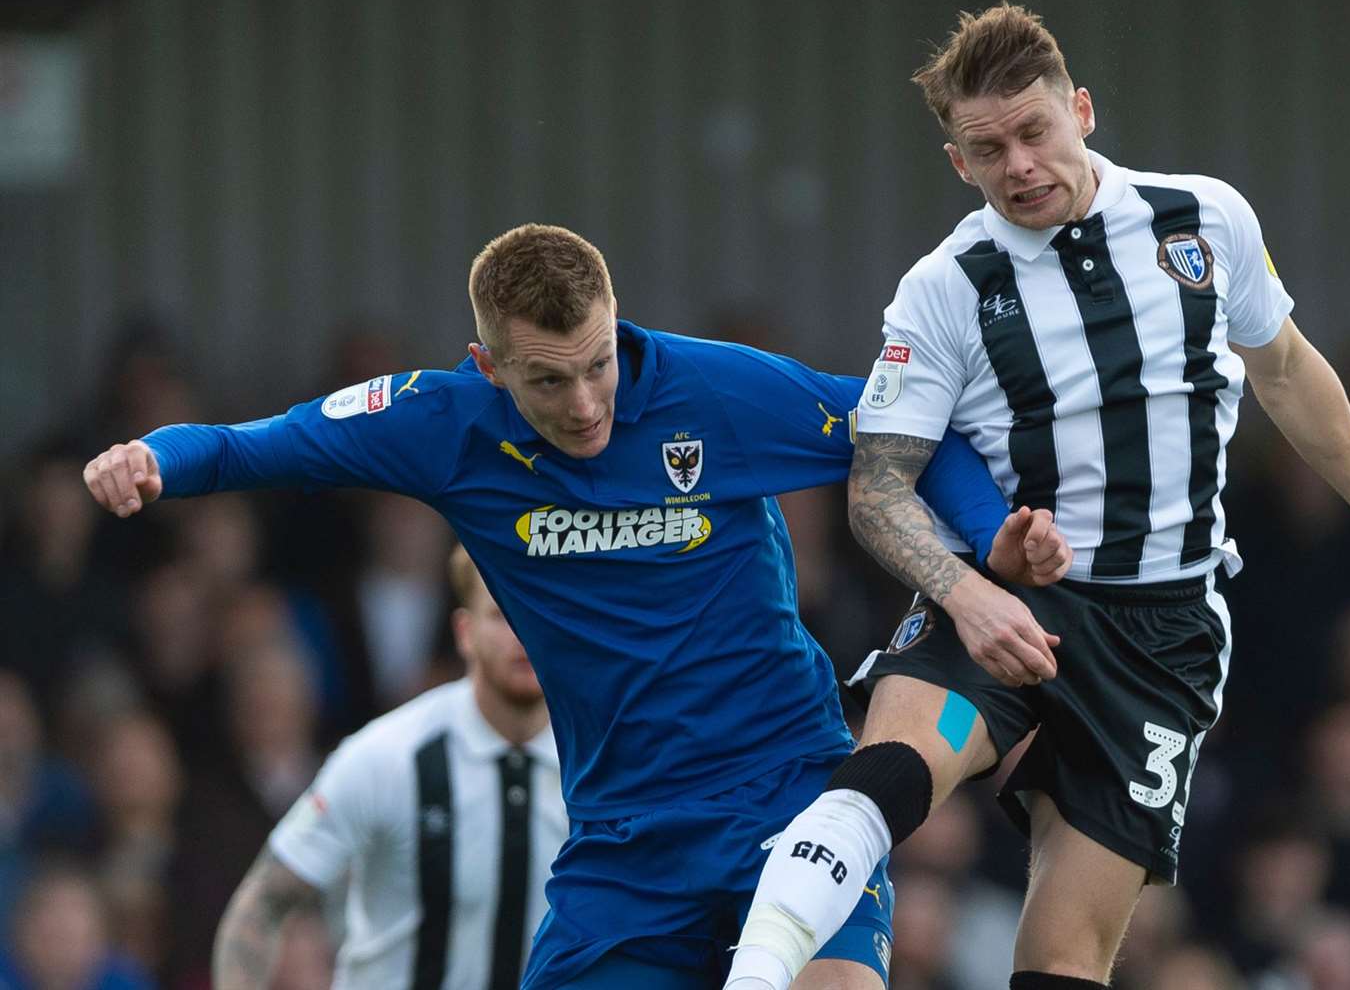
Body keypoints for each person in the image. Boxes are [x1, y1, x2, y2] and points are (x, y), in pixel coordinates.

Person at [84, 223, 1072, 989]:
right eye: (547, 382)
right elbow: (253, 445)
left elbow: (912, 435)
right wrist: (152, 461)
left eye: (597, 362)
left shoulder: (711, 392)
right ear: (486, 368)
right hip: (624, 847)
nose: (588, 403)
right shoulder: (441, 425)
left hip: (787, 796)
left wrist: (986, 547)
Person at [723, 3, 1350, 990]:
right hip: (1012, 601)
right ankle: (756, 975)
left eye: (1035, 133)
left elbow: (1283, 368)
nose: (1019, 166)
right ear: (958, 165)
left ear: (1082, 111)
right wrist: (969, 591)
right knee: (884, 778)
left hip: (1162, 635)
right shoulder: (943, 288)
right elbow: (877, 485)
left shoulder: (1203, 219)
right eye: (988, 151)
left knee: (1065, 959)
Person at [209, 545, 566, 989]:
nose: (523, 633)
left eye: (539, 613)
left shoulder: (609, 771)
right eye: (501, 614)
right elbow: (260, 907)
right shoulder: (386, 756)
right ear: (464, 631)